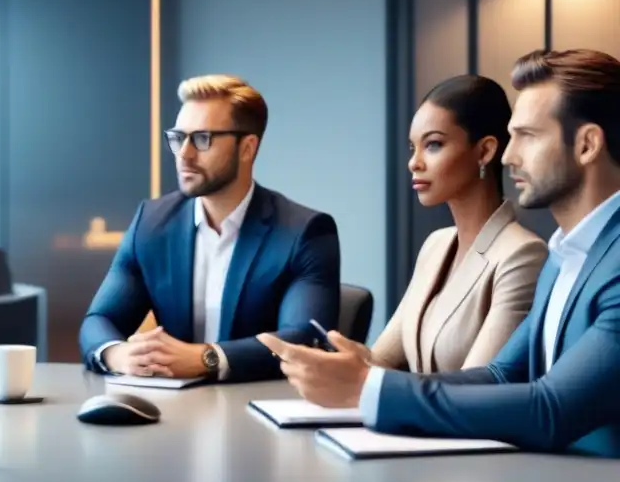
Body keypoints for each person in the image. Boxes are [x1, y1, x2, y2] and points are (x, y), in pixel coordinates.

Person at [260, 49, 620, 457]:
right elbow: (501, 376)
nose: (508, 155)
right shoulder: (565, 254)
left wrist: (367, 388)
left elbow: (551, 408)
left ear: (588, 145)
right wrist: (365, 380)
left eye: (528, 136)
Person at [80, 75, 340, 383]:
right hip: (171, 410)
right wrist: (117, 354)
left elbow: (301, 339)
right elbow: (100, 319)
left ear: (247, 147)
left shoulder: (305, 232)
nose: (184, 154)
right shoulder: (151, 222)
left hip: (260, 410)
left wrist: (207, 357)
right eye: (179, 138)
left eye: (202, 139)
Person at [366, 75, 547, 372]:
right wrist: (336, 359)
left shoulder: (522, 255)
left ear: (485, 151)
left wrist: (363, 378)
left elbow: (474, 389)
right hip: (407, 416)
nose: (415, 162)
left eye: (433, 144)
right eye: (414, 148)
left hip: (462, 418)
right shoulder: (436, 245)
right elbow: (380, 361)